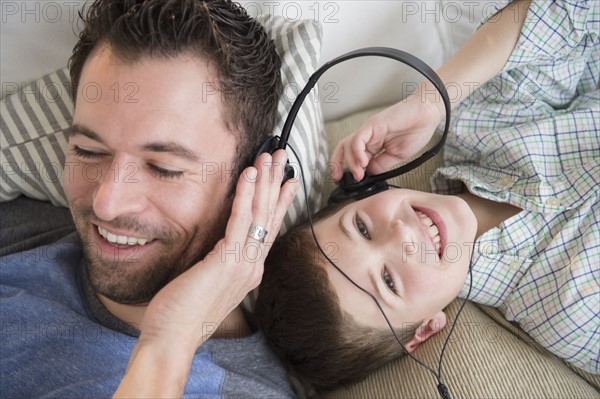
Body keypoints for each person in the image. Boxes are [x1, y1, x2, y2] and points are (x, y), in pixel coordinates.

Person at [255, 0, 599, 391]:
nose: (401, 235)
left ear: (360, 191)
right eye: (388, 281)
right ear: (424, 330)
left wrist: (432, 100)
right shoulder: (568, 310)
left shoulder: (477, 131)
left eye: (363, 228)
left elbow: (570, 13)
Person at [0, 0, 298, 397]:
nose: (107, 203)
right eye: (89, 151)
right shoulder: (27, 232)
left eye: (164, 169)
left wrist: (169, 343)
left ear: (255, 183)